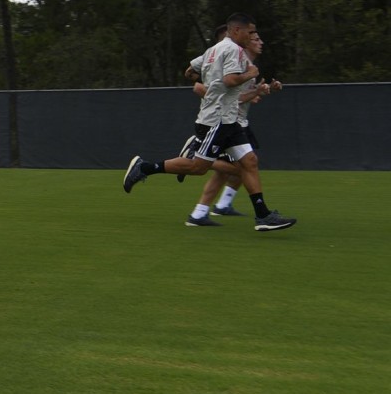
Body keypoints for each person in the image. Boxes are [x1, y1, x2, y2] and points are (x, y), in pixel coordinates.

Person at [122, 12, 295, 232]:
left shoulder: (213, 50)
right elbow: (230, 80)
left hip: (228, 119)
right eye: (250, 32)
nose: (253, 36)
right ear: (236, 31)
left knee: (249, 161)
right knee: (198, 167)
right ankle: (145, 167)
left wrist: (211, 84)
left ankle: (263, 216)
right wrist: (250, 73)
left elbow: (190, 72)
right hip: (217, 120)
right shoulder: (233, 50)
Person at [183, 30, 281, 226]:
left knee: (243, 166)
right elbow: (198, 86)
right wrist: (217, 97)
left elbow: (241, 96)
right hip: (226, 122)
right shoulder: (231, 57)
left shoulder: (249, 66)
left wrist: (263, 90)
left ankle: (206, 211)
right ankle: (194, 156)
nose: (260, 42)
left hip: (238, 121)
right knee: (243, 167)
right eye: (255, 38)